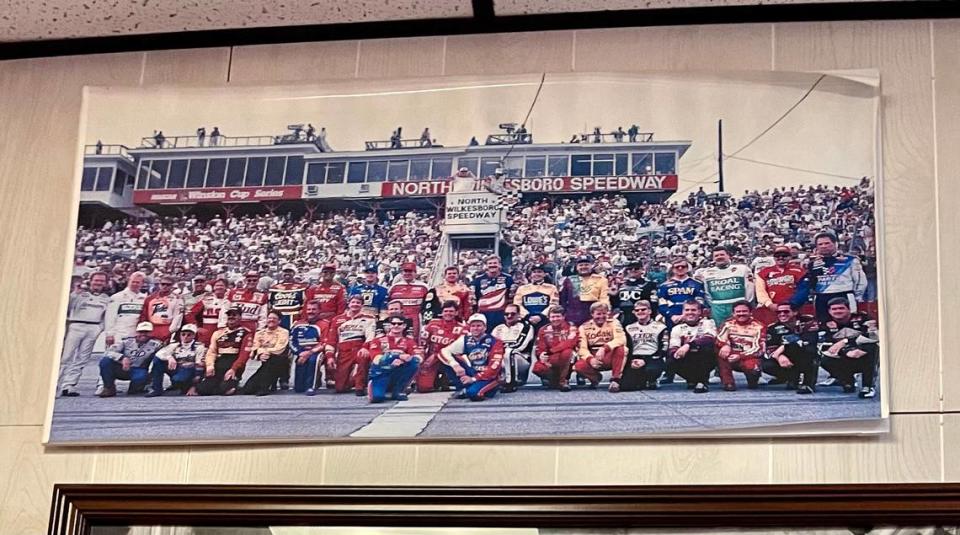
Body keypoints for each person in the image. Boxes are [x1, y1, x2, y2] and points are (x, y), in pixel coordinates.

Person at [791, 231, 868, 321]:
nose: (824, 246)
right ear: (816, 247)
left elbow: (860, 281)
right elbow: (811, 282)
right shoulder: (812, 263)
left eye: (827, 243)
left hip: (844, 295)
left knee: (848, 325)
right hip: (821, 298)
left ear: (835, 244)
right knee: (823, 326)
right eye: (820, 244)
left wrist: (857, 297)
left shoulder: (850, 260)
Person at [58, 271, 111, 397]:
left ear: (105, 283)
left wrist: (100, 328)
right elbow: (67, 307)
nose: (98, 283)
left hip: (93, 327)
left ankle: (69, 385)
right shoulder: (79, 294)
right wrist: (75, 293)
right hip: (76, 325)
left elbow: (106, 316)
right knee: (66, 357)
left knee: (82, 358)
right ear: (91, 281)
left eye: (101, 281)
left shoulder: (106, 298)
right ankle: (57, 385)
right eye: (96, 280)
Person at [817, 297, 879, 398]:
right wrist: (845, 350)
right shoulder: (825, 324)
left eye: (841, 308)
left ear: (849, 309)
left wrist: (846, 341)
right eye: (834, 309)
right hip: (843, 355)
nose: (837, 311)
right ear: (829, 311)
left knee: (872, 348)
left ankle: (868, 387)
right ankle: (846, 380)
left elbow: (873, 336)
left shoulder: (864, 319)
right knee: (823, 358)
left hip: (862, 353)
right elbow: (825, 345)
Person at [439, 314, 505, 402]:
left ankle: (469, 389)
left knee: (474, 394)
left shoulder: (495, 342)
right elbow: (443, 352)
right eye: (473, 326)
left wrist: (473, 379)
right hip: (472, 372)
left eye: (479, 325)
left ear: (485, 327)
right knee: (447, 358)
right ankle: (462, 387)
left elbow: (494, 368)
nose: (475, 328)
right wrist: (455, 365)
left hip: (489, 376)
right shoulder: (465, 339)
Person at [325, 295, 377, 395]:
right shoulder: (337, 319)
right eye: (353, 302)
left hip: (360, 349)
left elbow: (371, 335)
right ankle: (352, 379)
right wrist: (330, 356)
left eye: (358, 303)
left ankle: (360, 386)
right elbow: (331, 340)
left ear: (362, 305)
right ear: (348, 304)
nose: (355, 305)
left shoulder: (369, 318)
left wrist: (365, 347)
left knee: (363, 357)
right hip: (344, 351)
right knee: (340, 388)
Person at [763, 303, 820, 394]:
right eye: (779, 312)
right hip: (786, 357)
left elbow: (808, 341)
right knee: (765, 364)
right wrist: (779, 357)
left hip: (805, 354)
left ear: (795, 312)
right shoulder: (773, 328)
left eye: (786, 311)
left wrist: (782, 348)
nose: (782, 314)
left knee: (808, 350)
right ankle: (791, 378)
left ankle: (808, 384)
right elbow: (769, 347)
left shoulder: (808, 322)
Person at [197, 305, 252, 396]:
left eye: (234, 315)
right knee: (202, 390)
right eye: (229, 314)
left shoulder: (246, 333)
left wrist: (233, 369)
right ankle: (220, 386)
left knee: (224, 390)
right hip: (219, 363)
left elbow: (244, 356)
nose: (231, 317)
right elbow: (212, 352)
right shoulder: (218, 333)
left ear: (240, 317)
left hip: (234, 363)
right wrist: (210, 366)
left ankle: (232, 385)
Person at [98, 321, 163, 397]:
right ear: (136, 332)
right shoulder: (126, 341)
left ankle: (139, 386)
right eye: (141, 332)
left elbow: (163, 354)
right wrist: (122, 358)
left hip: (140, 369)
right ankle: (109, 388)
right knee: (105, 361)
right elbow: (108, 352)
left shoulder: (156, 344)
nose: (143, 334)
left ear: (151, 333)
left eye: (146, 332)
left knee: (136, 387)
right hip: (123, 368)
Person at [366, 314, 421, 403]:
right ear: (389, 325)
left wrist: (403, 360)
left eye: (399, 324)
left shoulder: (409, 341)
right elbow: (376, 359)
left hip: (398, 371)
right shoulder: (378, 340)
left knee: (414, 362)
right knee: (377, 398)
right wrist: (395, 357)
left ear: (404, 326)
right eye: (393, 323)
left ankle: (398, 390)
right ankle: (373, 386)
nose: (396, 326)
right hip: (381, 373)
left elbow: (419, 357)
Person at [572, 302, 627, 392]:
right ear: (592, 314)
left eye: (604, 313)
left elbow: (621, 339)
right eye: (598, 314)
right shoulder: (584, 327)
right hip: (593, 355)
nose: (601, 316)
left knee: (621, 349)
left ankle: (615, 380)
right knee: (578, 366)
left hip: (609, 354)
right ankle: (596, 378)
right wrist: (590, 359)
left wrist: (604, 348)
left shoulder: (614, 323)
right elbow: (582, 348)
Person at [695, 246, 755, 326]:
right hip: (718, 309)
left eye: (722, 254)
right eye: (716, 256)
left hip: (739, 307)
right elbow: (707, 292)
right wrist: (713, 305)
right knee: (720, 333)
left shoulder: (742, 269)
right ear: (713, 258)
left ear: (728, 255)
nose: (719, 257)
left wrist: (745, 305)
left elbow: (750, 289)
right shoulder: (706, 273)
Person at [667, 300, 717, 394]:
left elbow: (709, 339)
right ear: (683, 312)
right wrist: (676, 353)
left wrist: (688, 345)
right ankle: (692, 379)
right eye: (687, 310)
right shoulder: (677, 328)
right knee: (671, 358)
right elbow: (673, 347)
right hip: (687, 358)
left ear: (699, 312)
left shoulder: (708, 323)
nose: (690, 312)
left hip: (703, 356)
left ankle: (702, 381)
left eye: (693, 310)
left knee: (708, 348)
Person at [715, 301, 766, 391]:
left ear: (750, 312)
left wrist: (740, 356)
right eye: (738, 312)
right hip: (730, 354)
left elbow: (759, 348)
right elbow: (719, 338)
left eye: (744, 311)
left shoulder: (759, 326)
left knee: (753, 370)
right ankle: (728, 382)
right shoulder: (727, 324)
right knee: (719, 350)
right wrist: (725, 345)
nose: (741, 314)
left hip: (748, 356)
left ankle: (753, 380)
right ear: (733, 313)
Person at [418, 300, 465, 393]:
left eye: (451, 311)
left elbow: (463, 350)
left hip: (451, 360)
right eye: (446, 311)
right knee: (423, 388)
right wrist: (422, 359)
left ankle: (448, 379)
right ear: (442, 312)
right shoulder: (432, 324)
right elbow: (422, 344)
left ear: (456, 313)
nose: (448, 313)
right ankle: (437, 380)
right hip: (432, 359)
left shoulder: (462, 328)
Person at [240, 312, 291, 396]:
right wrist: (260, 354)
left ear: (279, 321)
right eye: (269, 318)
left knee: (272, 360)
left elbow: (279, 349)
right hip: (265, 361)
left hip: (280, 361)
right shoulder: (259, 333)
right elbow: (254, 349)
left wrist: (263, 351)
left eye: (274, 318)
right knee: (248, 390)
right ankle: (267, 384)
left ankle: (264, 387)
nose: (271, 320)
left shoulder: (284, 332)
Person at [622, 300, 669, 391]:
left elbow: (665, 347)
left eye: (643, 309)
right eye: (637, 310)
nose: (640, 312)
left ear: (650, 311)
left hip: (653, 358)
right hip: (635, 359)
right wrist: (630, 360)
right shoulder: (628, 328)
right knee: (626, 387)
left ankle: (652, 380)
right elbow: (627, 346)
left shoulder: (661, 327)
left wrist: (646, 360)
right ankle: (641, 380)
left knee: (651, 370)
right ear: (634, 312)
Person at [148, 323, 205, 397]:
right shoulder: (175, 345)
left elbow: (200, 366)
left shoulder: (199, 347)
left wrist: (194, 386)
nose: (185, 337)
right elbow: (159, 354)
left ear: (194, 335)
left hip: (189, 370)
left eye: (189, 335)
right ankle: (157, 389)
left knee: (178, 379)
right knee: (157, 361)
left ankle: (187, 387)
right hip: (176, 368)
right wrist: (169, 357)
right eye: (183, 334)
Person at [289, 301, 333, 395]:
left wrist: (310, 352)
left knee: (313, 360)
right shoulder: (297, 324)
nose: (311, 311)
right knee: (299, 388)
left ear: (319, 311)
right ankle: (309, 382)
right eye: (309, 309)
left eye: (314, 309)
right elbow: (292, 341)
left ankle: (311, 387)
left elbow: (325, 342)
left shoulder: (325, 324)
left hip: (317, 351)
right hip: (301, 352)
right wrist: (299, 353)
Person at [531, 306, 579, 391]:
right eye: (553, 317)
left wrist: (551, 351)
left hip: (567, 356)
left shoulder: (571, 327)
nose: (555, 319)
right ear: (549, 318)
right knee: (537, 368)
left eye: (558, 316)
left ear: (563, 317)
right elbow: (540, 347)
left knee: (568, 352)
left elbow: (570, 343)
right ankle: (554, 380)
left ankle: (564, 381)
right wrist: (542, 355)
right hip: (551, 357)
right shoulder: (543, 329)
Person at [755, 246, 805, 325]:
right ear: (774, 257)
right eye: (777, 256)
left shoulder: (799, 271)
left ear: (790, 257)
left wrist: (793, 304)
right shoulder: (763, 272)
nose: (780, 258)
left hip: (794, 307)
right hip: (772, 308)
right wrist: (769, 304)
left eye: (784, 255)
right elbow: (760, 291)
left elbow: (803, 289)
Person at [490, 304, 535, 392]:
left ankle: (511, 383)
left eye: (513, 314)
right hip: (500, 358)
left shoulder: (526, 327)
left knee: (509, 352)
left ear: (519, 314)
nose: (509, 316)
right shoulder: (498, 328)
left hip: (521, 358)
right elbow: (490, 345)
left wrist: (501, 350)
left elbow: (520, 346)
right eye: (507, 314)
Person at [559, 256, 610, 327]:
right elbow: (563, 300)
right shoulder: (569, 280)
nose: (584, 267)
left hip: (593, 315)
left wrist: (603, 312)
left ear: (591, 266)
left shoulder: (601, 279)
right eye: (581, 265)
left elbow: (604, 297)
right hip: (572, 316)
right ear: (576, 267)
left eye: (586, 265)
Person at [656, 258, 705, 330]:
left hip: (692, 317)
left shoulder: (697, 283)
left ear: (687, 268)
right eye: (677, 267)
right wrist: (671, 315)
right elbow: (662, 304)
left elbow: (700, 302)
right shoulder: (664, 286)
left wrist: (685, 316)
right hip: (672, 318)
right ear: (672, 269)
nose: (680, 268)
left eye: (683, 266)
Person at [103, 271, 147, 350]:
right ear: (128, 281)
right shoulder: (117, 297)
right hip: (119, 334)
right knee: (113, 358)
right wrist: (109, 334)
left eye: (137, 282)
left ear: (142, 283)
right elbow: (110, 317)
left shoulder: (144, 298)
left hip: (136, 335)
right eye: (132, 282)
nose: (135, 284)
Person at [387, 262, 430, 340]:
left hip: (416, 318)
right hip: (397, 319)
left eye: (410, 271)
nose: (407, 273)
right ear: (401, 273)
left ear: (415, 273)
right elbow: (388, 304)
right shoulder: (394, 287)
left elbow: (429, 306)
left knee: (414, 339)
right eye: (405, 271)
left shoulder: (424, 287)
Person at [471, 256, 515, 330]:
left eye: (495, 263)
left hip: (501, 313)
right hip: (484, 313)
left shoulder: (508, 278)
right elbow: (474, 297)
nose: (492, 265)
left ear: (499, 265)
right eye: (490, 263)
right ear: (486, 265)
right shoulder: (478, 279)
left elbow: (511, 296)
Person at [610, 261, 658, 327]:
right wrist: (612, 295)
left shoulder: (650, 284)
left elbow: (654, 304)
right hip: (623, 318)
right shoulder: (620, 285)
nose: (633, 270)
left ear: (642, 270)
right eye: (630, 268)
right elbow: (615, 304)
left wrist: (651, 318)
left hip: (641, 316)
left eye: (636, 268)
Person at [513, 264, 559, 332]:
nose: (537, 274)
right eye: (534, 272)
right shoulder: (522, 289)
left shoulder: (552, 288)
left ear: (544, 274)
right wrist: (527, 316)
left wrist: (541, 316)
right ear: (531, 274)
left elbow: (554, 304)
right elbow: (517, 304)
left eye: (539, 272)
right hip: (526, 320)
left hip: (545, 321)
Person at [138, 275, 184, 343]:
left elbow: (177, 317)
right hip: (151, 328)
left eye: (168, 284)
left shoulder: (177, 299)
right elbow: (144, 315)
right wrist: (144, 330)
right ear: (159, 284)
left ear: (172, 286)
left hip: (167, 328)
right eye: (163, 284)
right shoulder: (150, 298)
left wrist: (170, 331)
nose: (165, 286)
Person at [269, 263, 311, 332]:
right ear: (282, 273)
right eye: (285, 271)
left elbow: (305, 304)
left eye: (290, 271)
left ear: (294, 273)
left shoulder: (301, 287)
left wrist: (301, 318)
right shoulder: (274, 288)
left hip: (294, 317)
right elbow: (270, 305)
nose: (287, 273)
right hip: (278, 317)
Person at [188, 278, 230, 345]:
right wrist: (196, 328)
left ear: (226, 288)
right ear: (213, 288)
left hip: (225, 332)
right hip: (207, 333)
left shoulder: (230, 301)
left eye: (221, 285)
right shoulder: (206, 300)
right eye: (217, 285)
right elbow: (190, 314)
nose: (219, 287)